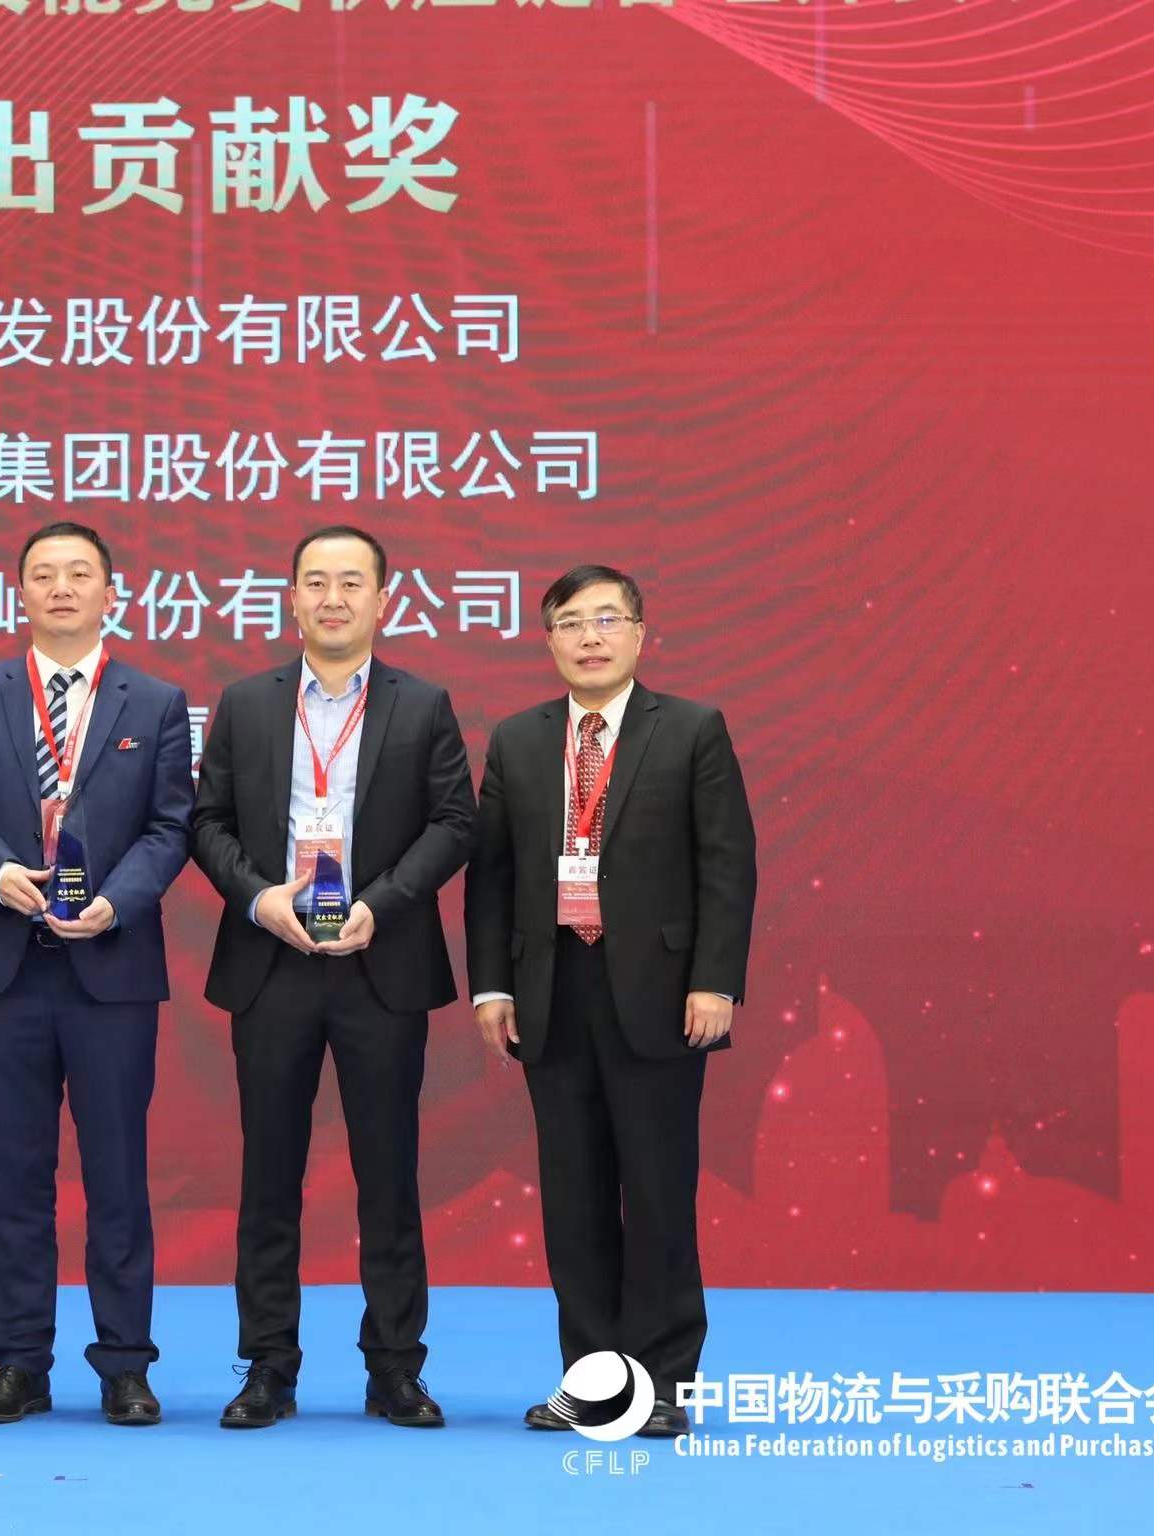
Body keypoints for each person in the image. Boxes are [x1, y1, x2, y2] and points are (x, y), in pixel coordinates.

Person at [189, 525, 475, 1430]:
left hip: (378, 964)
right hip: (272, 964)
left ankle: (395, 1366)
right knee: (269, 1175)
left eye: (352, 583)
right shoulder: (246, 703)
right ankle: (267, 1365)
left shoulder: (422, 704)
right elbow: (207, 822)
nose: (333, 598)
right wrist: (258, 897)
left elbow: (455, 822)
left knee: (388, 1176)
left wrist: (381, 903)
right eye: (316, 582)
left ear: (383, 599)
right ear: (292, 599)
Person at [463, 563, 757, 1439]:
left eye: (606, 620)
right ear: (549, 639)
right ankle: (593, 1378)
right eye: (570, 623)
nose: (589, 638)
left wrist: (715, 980)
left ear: (639, 633)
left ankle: (662, 1382)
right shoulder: (519, 740)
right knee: (575, 1197)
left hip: (661, 995)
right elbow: (492, 876)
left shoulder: (691, 729)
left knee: (657, 1192)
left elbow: (727, 865)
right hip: (552, 991)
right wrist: (493, 985)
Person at [0, 521, 194, 1427]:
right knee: (16, 1176)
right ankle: (18, 1364)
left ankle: (124, 1365)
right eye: (44, 574)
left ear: (111, 593)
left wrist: (117, 901)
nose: (62, 588)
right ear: (20, 594)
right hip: (8, 969)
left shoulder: (155, 701)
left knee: (118, 1175)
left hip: (111, 966)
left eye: (80, 573)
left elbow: (171, 825)